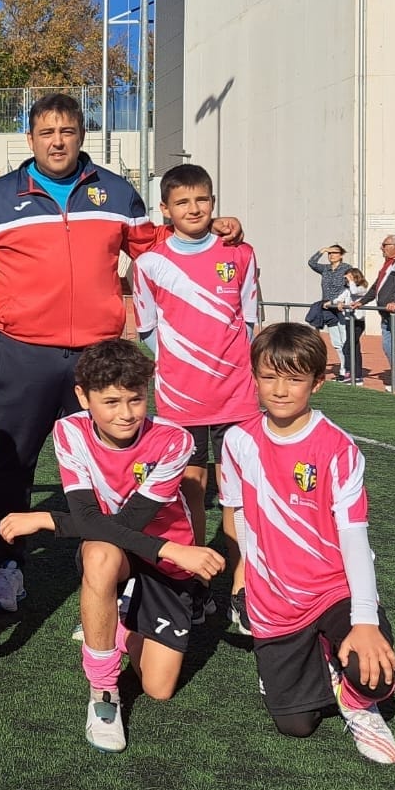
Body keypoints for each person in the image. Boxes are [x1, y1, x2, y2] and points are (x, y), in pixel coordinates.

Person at [0, 93, 241, 612]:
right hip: (22, 351)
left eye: (66, 131)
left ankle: (124, 568)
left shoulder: (116, 192)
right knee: (13, 461)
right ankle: (7, 568)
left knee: (120, 460)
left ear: (82, 135)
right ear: (30, 139)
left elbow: (157, 246)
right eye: (46, 133)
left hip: (98, 354)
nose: (57, 142)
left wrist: (207, 229)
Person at [0, 340, 225, 752]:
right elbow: (90, 522)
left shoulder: (173, 442)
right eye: (111, 401)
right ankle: (103, 692)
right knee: (100, 554)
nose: (126, 413)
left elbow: (129, 522)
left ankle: (118, 622)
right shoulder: (69, 431)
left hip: (163, 560)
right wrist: (172, 549)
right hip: (133, 551)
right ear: (83, 396)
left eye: (136, 399)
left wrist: (46, 519)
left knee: (158, 688)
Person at [219, 323, 395, 764]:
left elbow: (354, 535)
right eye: (269, 377)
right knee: (296, 725)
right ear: (254, 377)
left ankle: (357, 703)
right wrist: (242, 573)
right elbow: (238, 513)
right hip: (275, 597)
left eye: (294, 378)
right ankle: (323, 659)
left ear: (317, 382)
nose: (280, 390)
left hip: (333, 588)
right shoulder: (238, 440)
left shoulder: (338, 448)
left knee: (373, 670)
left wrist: (365, 620)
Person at [130, 163, 259, 631]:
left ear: (213, 203)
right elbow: (148, 328)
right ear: (165, 210)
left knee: (238, 494)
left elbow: (248, 320)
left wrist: (229, 363)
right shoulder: (148, 264)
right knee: (191, 492)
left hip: (237, 396)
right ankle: (198, 584)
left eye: (201, 199)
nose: (193, 209)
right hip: (181, 399)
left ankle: (242, 588)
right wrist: (183, 363)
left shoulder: (239, 253)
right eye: (182, 202)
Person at [357, 234, 395, 394]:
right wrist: (362, 302)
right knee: (388, 346)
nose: (381, 248)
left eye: (384, 245)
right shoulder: (389, 264)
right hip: (386, 313)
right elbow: (376, 287)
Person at [304, 245, 353, 369]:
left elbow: (353, 286)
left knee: (344, 339)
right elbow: (312, 263)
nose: (331, 255)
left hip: (341, 307)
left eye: (335, 253)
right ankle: (343, 368)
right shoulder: (325, 269)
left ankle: (348, 368)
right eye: (329, 253)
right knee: (336, 341)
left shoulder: (347, 268)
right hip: (328, 307)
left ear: (341, 255)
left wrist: (345, 301)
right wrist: (322, 250)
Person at [326, 268, 369, 382]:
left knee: (347, 347)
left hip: (358, 321)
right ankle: (356, 375)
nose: (346, 280)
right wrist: (333, 302)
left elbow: (355, 292)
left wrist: (351, 281)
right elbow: (340, 298)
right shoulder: (348, 289)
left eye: (349, 277)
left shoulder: (362, 288)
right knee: (354, 347)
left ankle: (351, 372)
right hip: (349, 320)